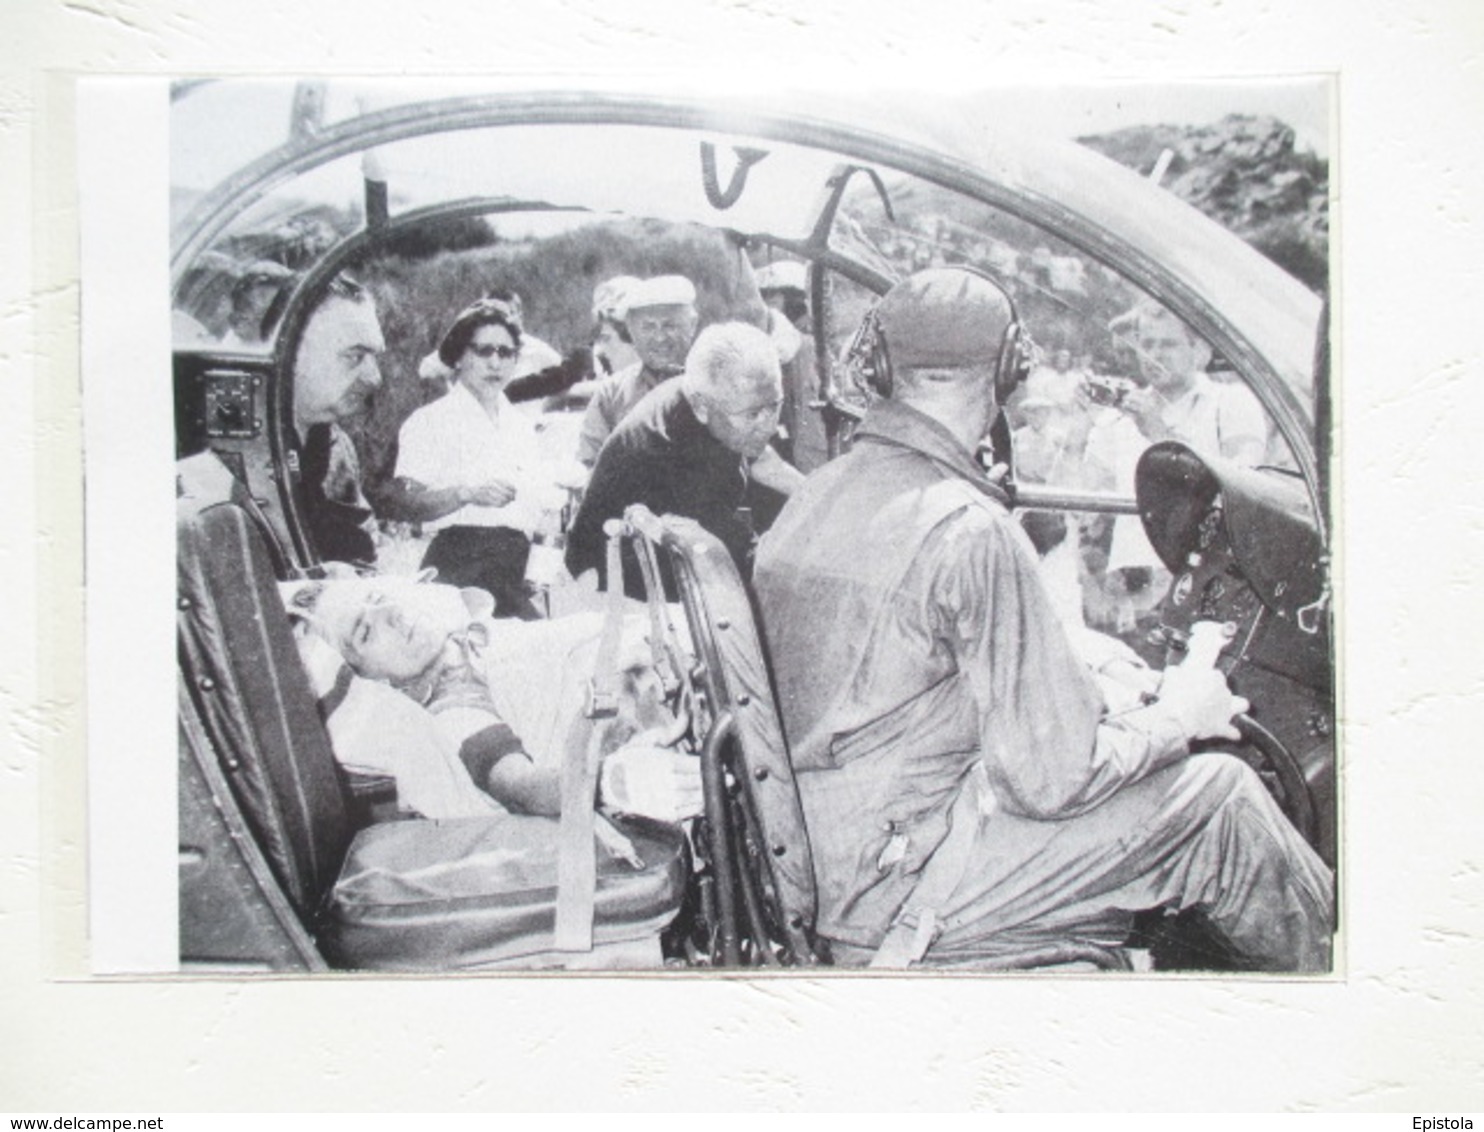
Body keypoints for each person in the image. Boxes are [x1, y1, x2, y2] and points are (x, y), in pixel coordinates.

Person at [752, 267, 1333, 971]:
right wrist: (1181, 714)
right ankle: (1366, 1006)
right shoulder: (968, 529)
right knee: (1221, 798)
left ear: (877, 365)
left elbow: (891, 676)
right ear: (1009, 367)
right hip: (904, 884)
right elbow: (1053, 779)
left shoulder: (815, 496)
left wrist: (1084, 667)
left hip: (832, 852)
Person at [293, 575, 702, 824]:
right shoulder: (454, 708)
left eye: (379, 599)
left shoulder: (461, 642)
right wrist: (614, 783)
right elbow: (520, 786)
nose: (392, 616)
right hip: (682, 711)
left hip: (676, 652)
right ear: (373, 679)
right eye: (365, 631)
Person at [565, 322, 805, 598]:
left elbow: (767, 464)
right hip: (616, 597)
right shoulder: (674, 452)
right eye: (753, 415)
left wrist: (819, 494)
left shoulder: (711, 395)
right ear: (702, 407)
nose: (769, 425)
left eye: (775, 406)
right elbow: (748, 562)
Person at [386, 299, 578, 619]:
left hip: (519, 569)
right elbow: (404, 503)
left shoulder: (521, 427)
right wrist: (466, 494)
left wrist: (544, 572)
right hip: (459, 566)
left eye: (505, 353)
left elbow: (541, 515)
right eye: (483, 351)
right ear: (459, 357)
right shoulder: (429, 420)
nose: (495, 363)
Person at [290, 273, 386, 566]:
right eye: (354, 356)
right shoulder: (242, 453)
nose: (374, 378)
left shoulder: (337, 447)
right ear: (292, 352)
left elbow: (362, 553)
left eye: (374, 356)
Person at [574, 275, 700, 467]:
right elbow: (587, 466)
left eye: (670, 325)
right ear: (631, 331)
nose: (659, 337)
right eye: (648, 327)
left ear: (692, 325)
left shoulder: (717, 383)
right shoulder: (612, 394)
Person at [756, 260, 829, 473]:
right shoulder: (763, 348)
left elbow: (812, 432)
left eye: (773, 300)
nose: (766, 310)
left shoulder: (807, 349)